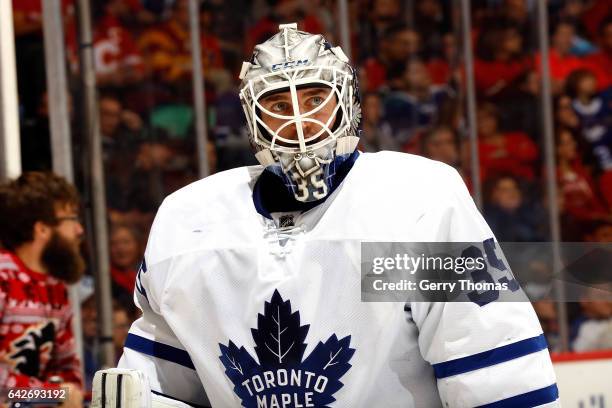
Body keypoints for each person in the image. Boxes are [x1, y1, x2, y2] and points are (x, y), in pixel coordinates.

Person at [104, 24, 559, 407]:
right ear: (252, 118)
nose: (300, 120)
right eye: (279, 105)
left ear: (347, 102)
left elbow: (499, 374)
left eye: (315, 97)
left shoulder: (419, 200)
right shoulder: (187, 220)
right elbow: (166, 386)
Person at [0, 172, 85, 407]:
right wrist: (52, 394)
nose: (79, 229)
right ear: (42, 229)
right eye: (71, 219)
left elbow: (69, 372)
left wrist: (61, 392)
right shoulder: (3, 276)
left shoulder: (56, 289)